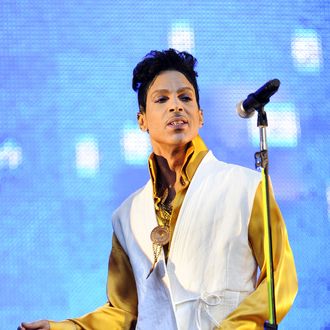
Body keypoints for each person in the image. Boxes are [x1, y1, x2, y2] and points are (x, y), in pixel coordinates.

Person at [19, 48, 298, 330]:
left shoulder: (246, 187)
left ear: (200, 116)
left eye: (185, 97)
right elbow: (123, 312)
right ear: (142, 121)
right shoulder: (126, 216)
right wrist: (62, 329)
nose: (176, 106)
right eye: (162, 99)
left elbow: (281, 277)